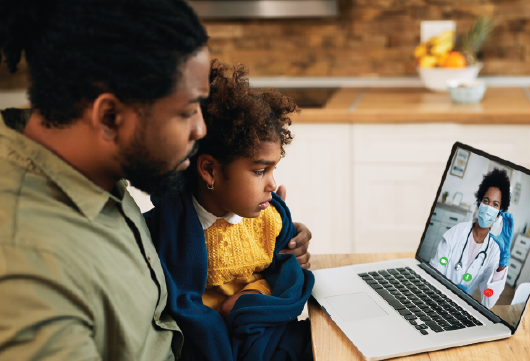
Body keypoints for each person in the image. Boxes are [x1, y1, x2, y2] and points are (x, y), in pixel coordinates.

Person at [0, 1, 311, 359]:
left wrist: (273, 237)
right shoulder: (29, 266)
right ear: (110, 117)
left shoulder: (92, 175)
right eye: (187, 111)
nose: (200, 128)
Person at [144, 60, 314, 361]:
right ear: (209, 170)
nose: (272, 184)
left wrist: (253, 297)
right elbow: (178, 304)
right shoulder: (169, 229)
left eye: (274, 169)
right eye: (260, 171)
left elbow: (285, 273)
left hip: (265, 336)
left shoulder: (269, 219)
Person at [430, 168, 513, 308]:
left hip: (462, 308)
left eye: (495, 204)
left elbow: (487, 301)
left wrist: (502, 264)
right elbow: (435, 270)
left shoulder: (494, 251)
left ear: (500, 211)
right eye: (486, 201)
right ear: (479, 201)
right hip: (436, 297)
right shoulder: (456, 232)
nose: (489, 207)